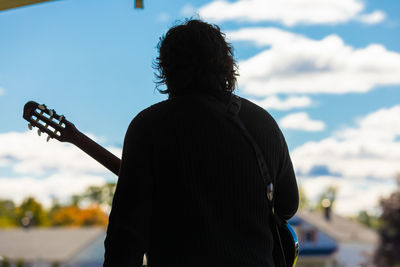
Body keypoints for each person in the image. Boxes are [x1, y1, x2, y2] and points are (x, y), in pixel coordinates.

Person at [103, 19, 299, 267]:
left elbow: (126, 237)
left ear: (167, 69)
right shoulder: (263, 123)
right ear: (226, 65)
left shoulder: (149, 127)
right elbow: (287, 206)